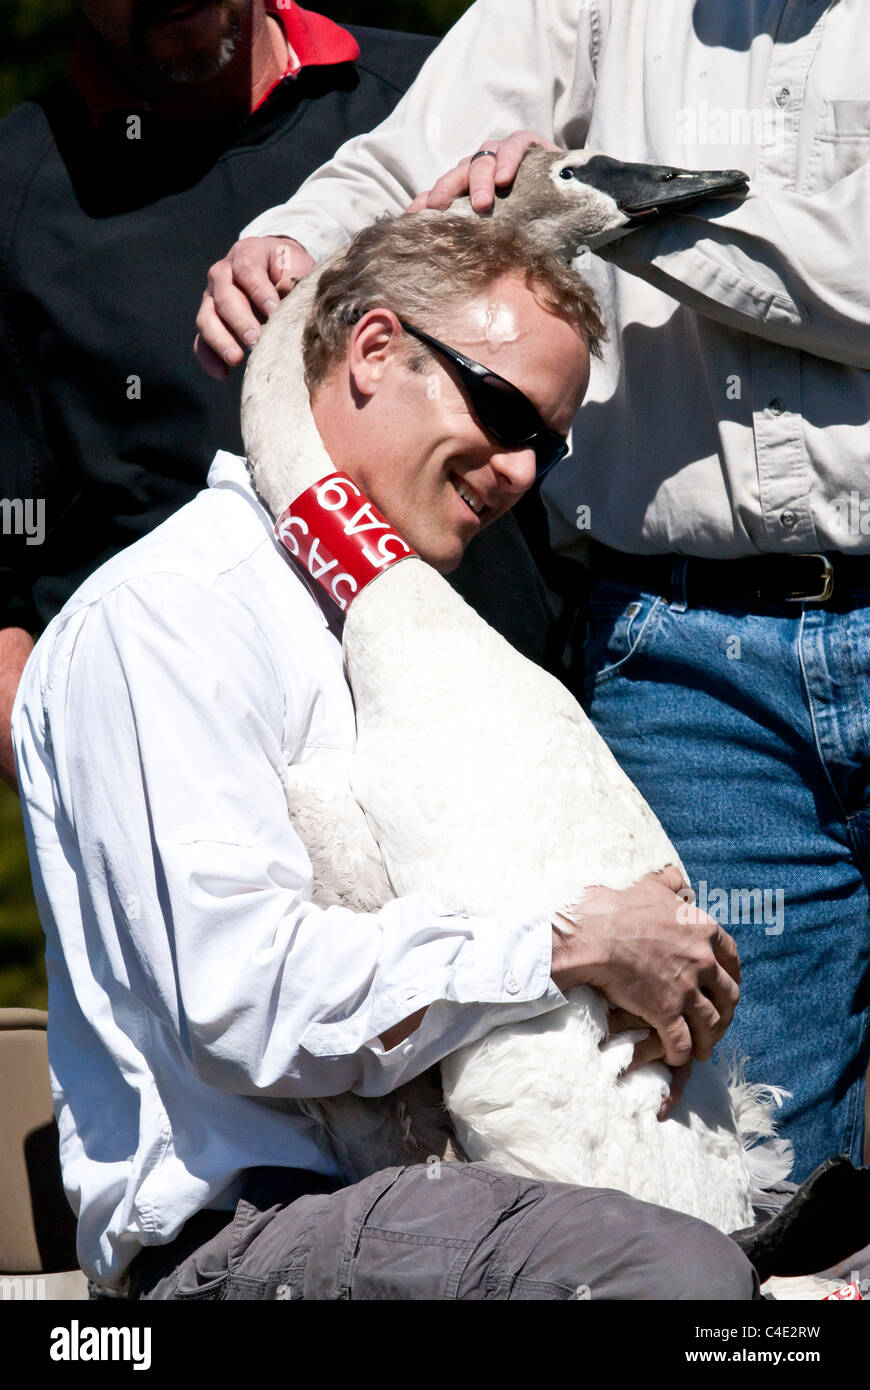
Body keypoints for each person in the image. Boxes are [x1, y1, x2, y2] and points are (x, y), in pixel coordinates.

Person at [11, 210, 753, 1300]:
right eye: (500, 411)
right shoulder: (173, 617)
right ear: (370, 350)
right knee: (668, 1273)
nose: (515, 472)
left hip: (445, 1195)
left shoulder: (382, 632)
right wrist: (568, 945)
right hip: (248, 1229)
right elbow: (246, 1005)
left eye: (546, 445)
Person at [193, 0, 870, 1184]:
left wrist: (598, 201)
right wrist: (290, 248)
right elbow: (403, 171)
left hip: (690, 642)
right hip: (689, 667)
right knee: (746, 1166)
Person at [0, 0, 443, 792]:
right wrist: (96, 797)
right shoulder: (14, 198)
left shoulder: (436, 93)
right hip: (202, 815)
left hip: (510, 770)